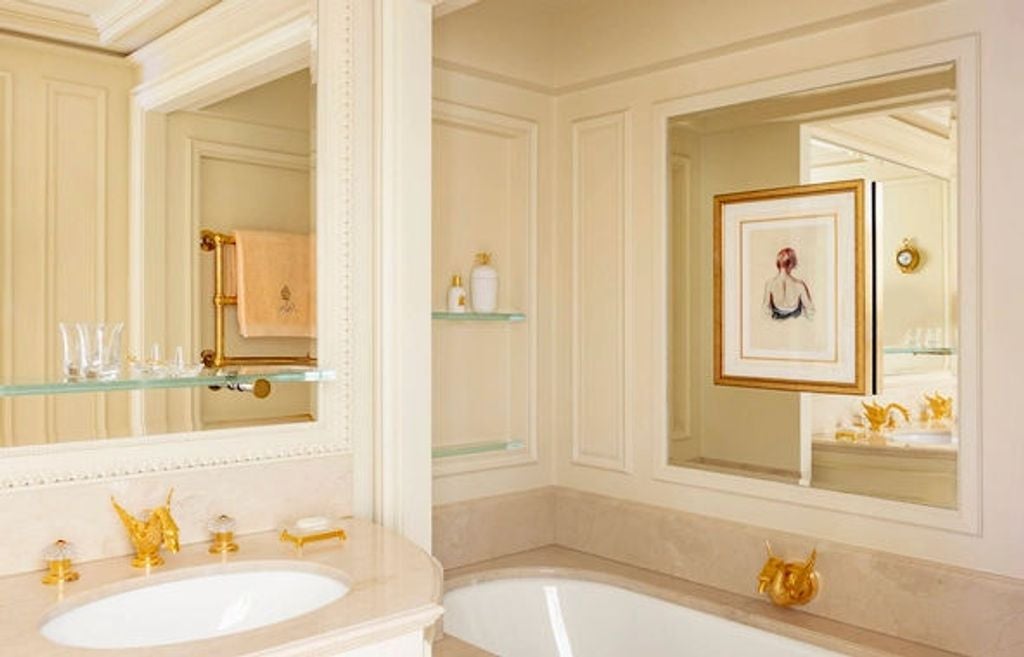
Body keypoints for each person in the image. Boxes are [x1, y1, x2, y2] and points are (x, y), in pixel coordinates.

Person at [762, 247, 814, 320]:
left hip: (775, 325)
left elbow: (765, 310)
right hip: (795, 325)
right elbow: (810, 310)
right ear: (792, 264)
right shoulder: (800, 285)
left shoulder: (770, 284)